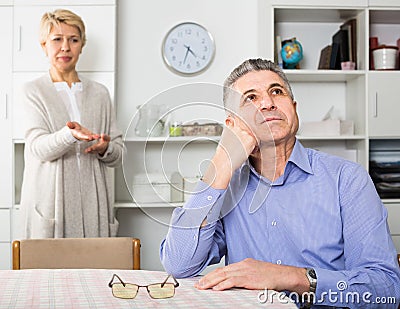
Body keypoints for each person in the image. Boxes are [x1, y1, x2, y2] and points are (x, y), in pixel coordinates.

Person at [160, 59, 400, 307]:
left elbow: (386, 289)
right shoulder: (226, 189)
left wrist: (288, 277)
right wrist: (220, 164)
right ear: (233, 124)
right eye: (251, 98)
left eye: (276, 91)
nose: (267, 103)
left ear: (293, 108)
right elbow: (179, 263)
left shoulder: (347, 180)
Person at [20, 9, 123, 238]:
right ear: (44, 45)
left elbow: (119, 155)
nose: (65, 47)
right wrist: (70, 135)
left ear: (82, 45)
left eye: (73, 40)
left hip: (94, 212)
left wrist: (105, 148)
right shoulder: (33, 91)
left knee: (95, 272)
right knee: (46, 273)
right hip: (50, 210)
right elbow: (38, 148)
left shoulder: (100, 94)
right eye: (57, 39)